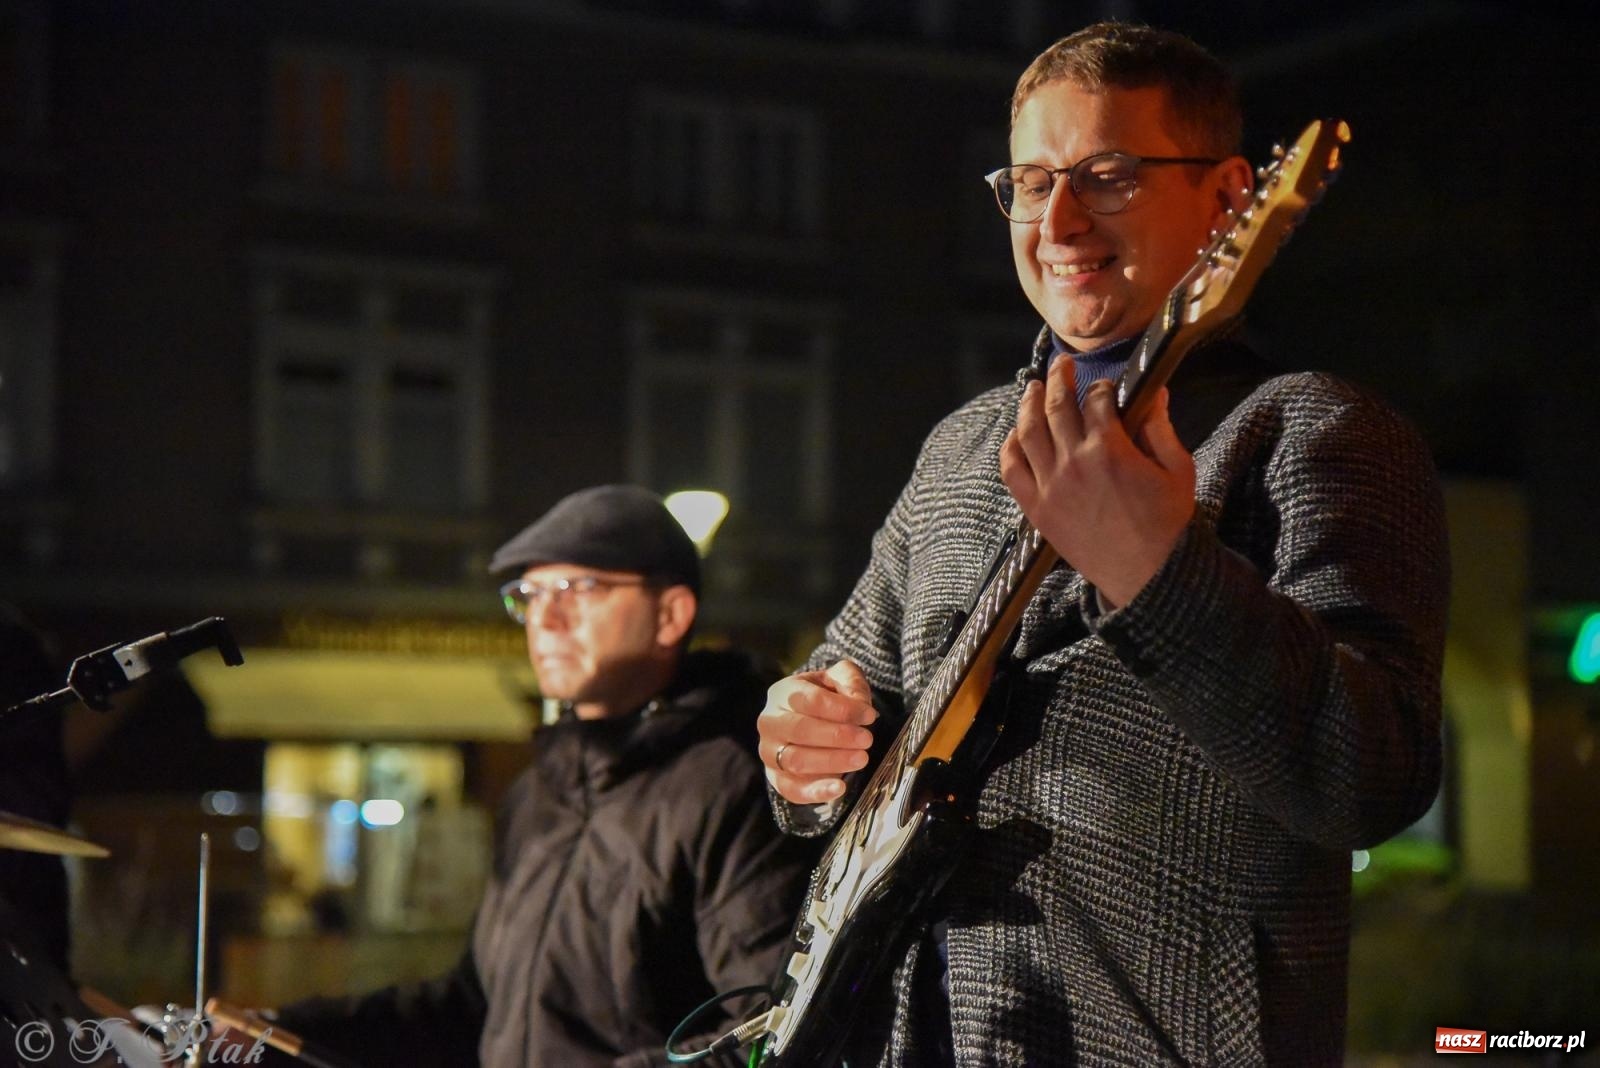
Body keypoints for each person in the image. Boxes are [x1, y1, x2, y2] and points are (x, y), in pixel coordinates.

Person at [757, 21, 1447, 1068]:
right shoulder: (960, 451)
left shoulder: (1314, 430)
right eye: (1031, 184)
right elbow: (841, 692)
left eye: (1109, 176)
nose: (1060, 220)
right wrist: (802, 748)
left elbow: (1373, 777)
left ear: (1230, 197)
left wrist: (1159, 576)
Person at [276, 485, 818, 1066]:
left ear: (669, 615)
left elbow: (768, 1033)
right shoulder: (536, 794)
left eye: (578, 589)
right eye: (529, 595)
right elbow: (479, 1008)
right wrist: (279, 1034)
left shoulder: (732, 783)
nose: (545, 619)